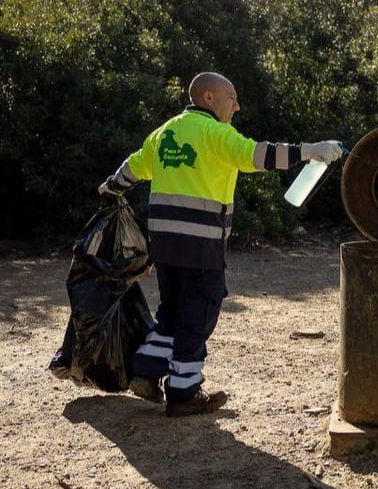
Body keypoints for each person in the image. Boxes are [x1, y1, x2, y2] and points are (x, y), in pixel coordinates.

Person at [96, 72, 343, 416]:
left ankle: (147, 372)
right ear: (209, 99)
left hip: (164, 245)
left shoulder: (164, 132)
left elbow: (134, 166)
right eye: (232, 97)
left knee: (172, 309)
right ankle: (184, 394)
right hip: (201, 245)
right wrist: (310, 151)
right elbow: (259, 155)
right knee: (198, 315)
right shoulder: (216, 134)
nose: (237, 106)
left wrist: (110, 187)